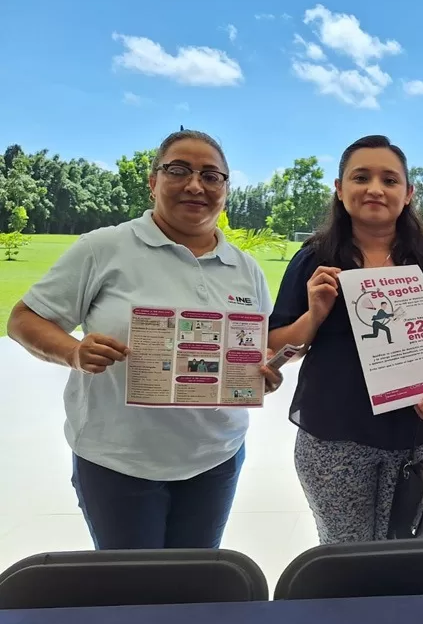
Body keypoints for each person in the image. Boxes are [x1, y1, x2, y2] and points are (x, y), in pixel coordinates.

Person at [6, 129, 283, 550]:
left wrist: (262, 371)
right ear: (153, 182)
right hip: (119, 461)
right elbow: (23, 319)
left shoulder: (245, 268)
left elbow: (251, 350)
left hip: (215, 458)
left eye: (211, 176)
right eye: (178, 170)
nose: (195, 184)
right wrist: (73, 352)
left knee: (193, 589)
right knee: (133, 594)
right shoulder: (104, 248)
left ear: (225, 189)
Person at [268, 135, 423, 544]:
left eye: (390, 179)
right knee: (346, 554)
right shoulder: (314, 259)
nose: (375, 189)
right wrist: (314, 314)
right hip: (333, 438)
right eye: (361, 177)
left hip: (414, 438)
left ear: (408, 193)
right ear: (340, 188)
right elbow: (279, 346)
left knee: (409, 553)